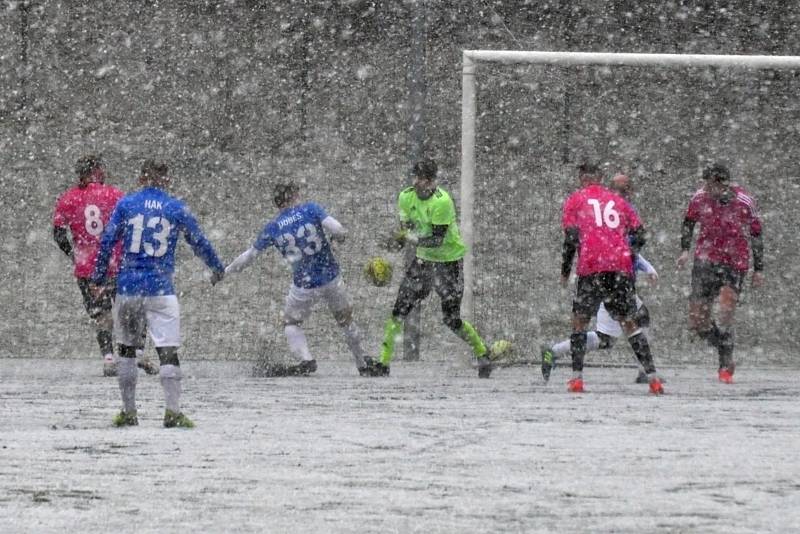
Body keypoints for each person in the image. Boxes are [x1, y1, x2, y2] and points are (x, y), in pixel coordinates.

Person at [90, 160, 225, 428]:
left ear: (141, 178)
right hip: (161, 289)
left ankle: (129, 412)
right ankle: (172, 413)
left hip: (129, 288)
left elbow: (106, 241)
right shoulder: (175, 207)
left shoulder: (127, 204)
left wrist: (97, 277)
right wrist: (216, 267)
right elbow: (198, 240)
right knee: (168, 351)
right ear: (166, 180)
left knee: (127, 350)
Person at [363, 158, 511, 378]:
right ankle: (383, 363)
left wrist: (409, 239)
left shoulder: (442, 202)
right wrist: (394, 242)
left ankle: (482, 354)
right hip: (423, 262)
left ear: (431, 182)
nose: (417, 182)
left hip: (447, 263)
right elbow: (407, 230)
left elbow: (437, 240)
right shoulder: (405, 197)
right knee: (398, 310)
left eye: (422, 179)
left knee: (451, 319)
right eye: (415, 177)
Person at [224, 182, 369, 376]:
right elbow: (338, 230)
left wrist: (226, 271)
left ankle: (306, 359)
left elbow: (249, 256)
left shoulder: (273, 227)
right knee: (345, 320)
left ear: (277, 202)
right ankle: (362, 363)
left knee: (291, 322)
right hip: (331, 277)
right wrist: (338, 239)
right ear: (293, 195)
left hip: (304, 285)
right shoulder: (311, 209)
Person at [541, 174, 659, 384]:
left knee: (599, 326)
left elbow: (573, 238)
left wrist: (567, 269)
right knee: (618, 329)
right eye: (623, 189)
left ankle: (576, 376)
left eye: (628, 188)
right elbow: (638, 237)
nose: (626, 192)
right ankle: (650, 376)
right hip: (616, 273)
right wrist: (629, 256)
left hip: (597, 269)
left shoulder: (599, 204)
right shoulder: (618, 206)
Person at [52, 154, 158, 377]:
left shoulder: (67, 199)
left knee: (101, 314)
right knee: (133, 310)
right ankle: (138, 353)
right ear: (98, 171)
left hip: (87, 267)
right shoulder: (116, 195)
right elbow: (133, 227)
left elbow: (59, 234)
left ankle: (108, 359)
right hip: (118, 264)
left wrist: (74, 255)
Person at [677, 163, 764, 384]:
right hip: (705, 259)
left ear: (721, 184)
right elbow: (688, 223)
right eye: (704, 184)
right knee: (697, 321)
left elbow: (756, 234)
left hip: (734, 261)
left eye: (709, 184)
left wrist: (759, 269)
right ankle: (724, 346)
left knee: (726, 309)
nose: (705, 189)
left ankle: (725, 363)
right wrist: (684, 250)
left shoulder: (744, 201)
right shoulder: (699, 198)